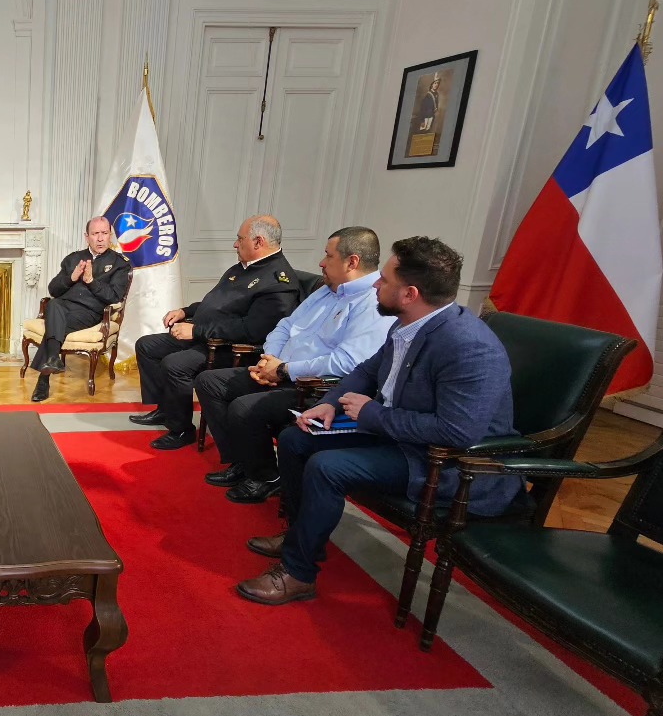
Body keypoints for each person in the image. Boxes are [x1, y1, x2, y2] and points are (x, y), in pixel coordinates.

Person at [235, 237, 521, 606]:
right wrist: (330, 403)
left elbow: (457, 432)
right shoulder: (409, 323)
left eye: (384, 280)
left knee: (327, 467)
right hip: (398, 436)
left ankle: (298, 573)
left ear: (410, 293)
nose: (375, 284)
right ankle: (297, 536)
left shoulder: (468, 346)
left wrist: (372, 414)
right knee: (295, 439)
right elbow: (368, 370)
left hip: (444, 463)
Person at [195, 227, 393, 503]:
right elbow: (285, 325)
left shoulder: (370, 303)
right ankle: (244, 461)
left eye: (328, 255)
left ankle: (266, 477)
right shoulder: (327, 291)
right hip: (280, 369)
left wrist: (284, 369)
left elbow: (346, 363)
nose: (322, 263)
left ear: (352, 262)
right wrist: (269, 360)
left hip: (314, 386)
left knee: (244, 407)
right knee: (210, 382)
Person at [128, 214, 300, 450]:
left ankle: (181, 431)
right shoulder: (242, 268)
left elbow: (250, 330)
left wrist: (197, 331)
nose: (235, 244)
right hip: (206, 336)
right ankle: (167, 409)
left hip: (230, 348)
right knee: (147, 346)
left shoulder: (278, 282)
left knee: (175, 364)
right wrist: (184, 311)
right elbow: (217, 304)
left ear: (258, 242)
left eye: (240, 239)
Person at [28, 216, 133, 402]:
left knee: (54, 325)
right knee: (53, 304)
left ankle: (43, 379)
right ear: (87, 237)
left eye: (104, 233)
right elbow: (53, 289)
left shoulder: (120, 264)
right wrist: (71, 277)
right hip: (63, 307)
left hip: (89, 313)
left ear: (110, 236)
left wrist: (92, 282)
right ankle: (53, 359)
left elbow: (114, 297)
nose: (100, 238)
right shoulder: (74, 259)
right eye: (95, 234)